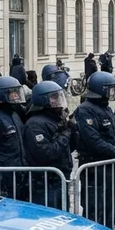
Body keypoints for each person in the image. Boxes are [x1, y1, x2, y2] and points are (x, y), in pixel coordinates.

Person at [75, 72, 115, 227]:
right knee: (95, 208)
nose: (112, 92)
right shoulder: (85, 110)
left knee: (110, 206)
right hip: (94, 168)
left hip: (108, 167)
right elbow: (93, 140)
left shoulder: (105, 109)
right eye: (110, 89)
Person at [23, 81, 74, 209]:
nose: (58, 101)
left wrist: (73, 130)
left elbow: (68, 148)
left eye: (59, 97)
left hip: (60, 178)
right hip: (45, 182)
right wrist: (65, 134)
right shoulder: (35, 124)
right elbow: (47, 152)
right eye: (54, 97)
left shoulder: (55, 119)